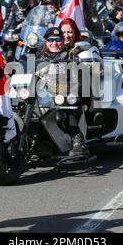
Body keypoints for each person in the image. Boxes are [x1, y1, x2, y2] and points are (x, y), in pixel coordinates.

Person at [40, 27, 90, 158]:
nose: (54, 43)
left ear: (63, 41)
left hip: (64, 95)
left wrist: (71, 93)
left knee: (66, 106)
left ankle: (78, 140)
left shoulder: (70, 56)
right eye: (50, 40)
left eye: (58, 39)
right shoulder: (39, 58)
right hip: (41, 96)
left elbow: (78, 80)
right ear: (46, 42)